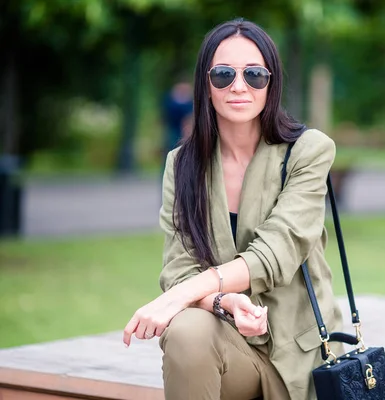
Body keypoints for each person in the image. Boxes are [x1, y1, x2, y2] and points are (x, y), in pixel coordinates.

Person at [123, 18, 343, 400]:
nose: (239, 86)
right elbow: (180, 267)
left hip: (299, 361)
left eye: (255, 75)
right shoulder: (183, 164)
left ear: (271, 83)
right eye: (223, 74)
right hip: (230, 348)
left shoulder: (308, 151)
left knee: (183, 312)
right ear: (205, 85)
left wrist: (179, 296)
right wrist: (223, 302)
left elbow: (276, 251)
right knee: (187, 330)